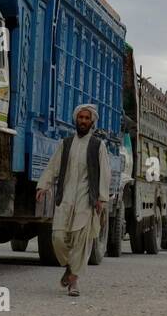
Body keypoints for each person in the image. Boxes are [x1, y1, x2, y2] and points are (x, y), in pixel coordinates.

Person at [35, 104, 111, 297]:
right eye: (81, 118)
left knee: (80, 240)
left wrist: (101, 198)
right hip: (66, 196)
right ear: (76, 120)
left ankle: (74, 281)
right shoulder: (66, 143)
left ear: (92, 122)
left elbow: (104, 173)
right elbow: (53, 166)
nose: (83, 121)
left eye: (87, 118)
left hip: (86, 198)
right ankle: (69, 267)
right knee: (58, 237)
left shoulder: (98, 146)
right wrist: (43, 185)